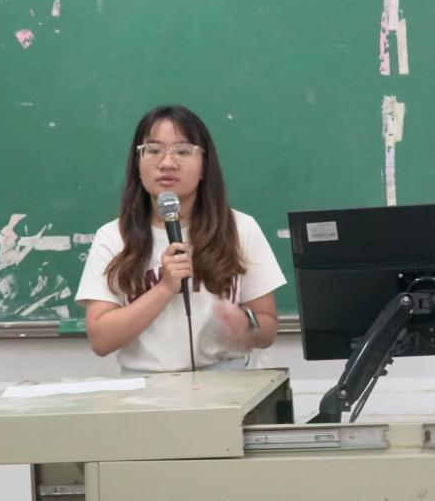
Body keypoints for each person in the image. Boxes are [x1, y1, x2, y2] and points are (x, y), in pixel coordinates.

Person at [75, 105, 286, 373]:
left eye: (183, 151)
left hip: (227, 381)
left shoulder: (239, 228)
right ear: (138, 164)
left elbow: (267, 330)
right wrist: (164, 289)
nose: (167, 163)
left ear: (204, 165)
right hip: (145, 386)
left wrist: (246, 324)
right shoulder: (113, 236)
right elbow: (101, 340)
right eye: (153, 151)